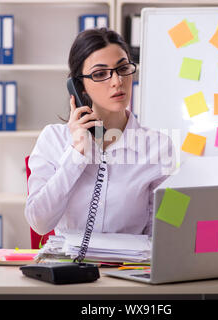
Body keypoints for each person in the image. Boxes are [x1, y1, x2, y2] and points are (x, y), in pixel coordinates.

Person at [24, 28, 175, 239]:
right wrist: (76, 155)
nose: (117, 81)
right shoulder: (53, 139)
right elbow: (39, 223)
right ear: (79, 87)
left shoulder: (159, 146)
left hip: (128, 270)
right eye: (100, 74)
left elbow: (166, 230)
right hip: (70, 269)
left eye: (123, 68)